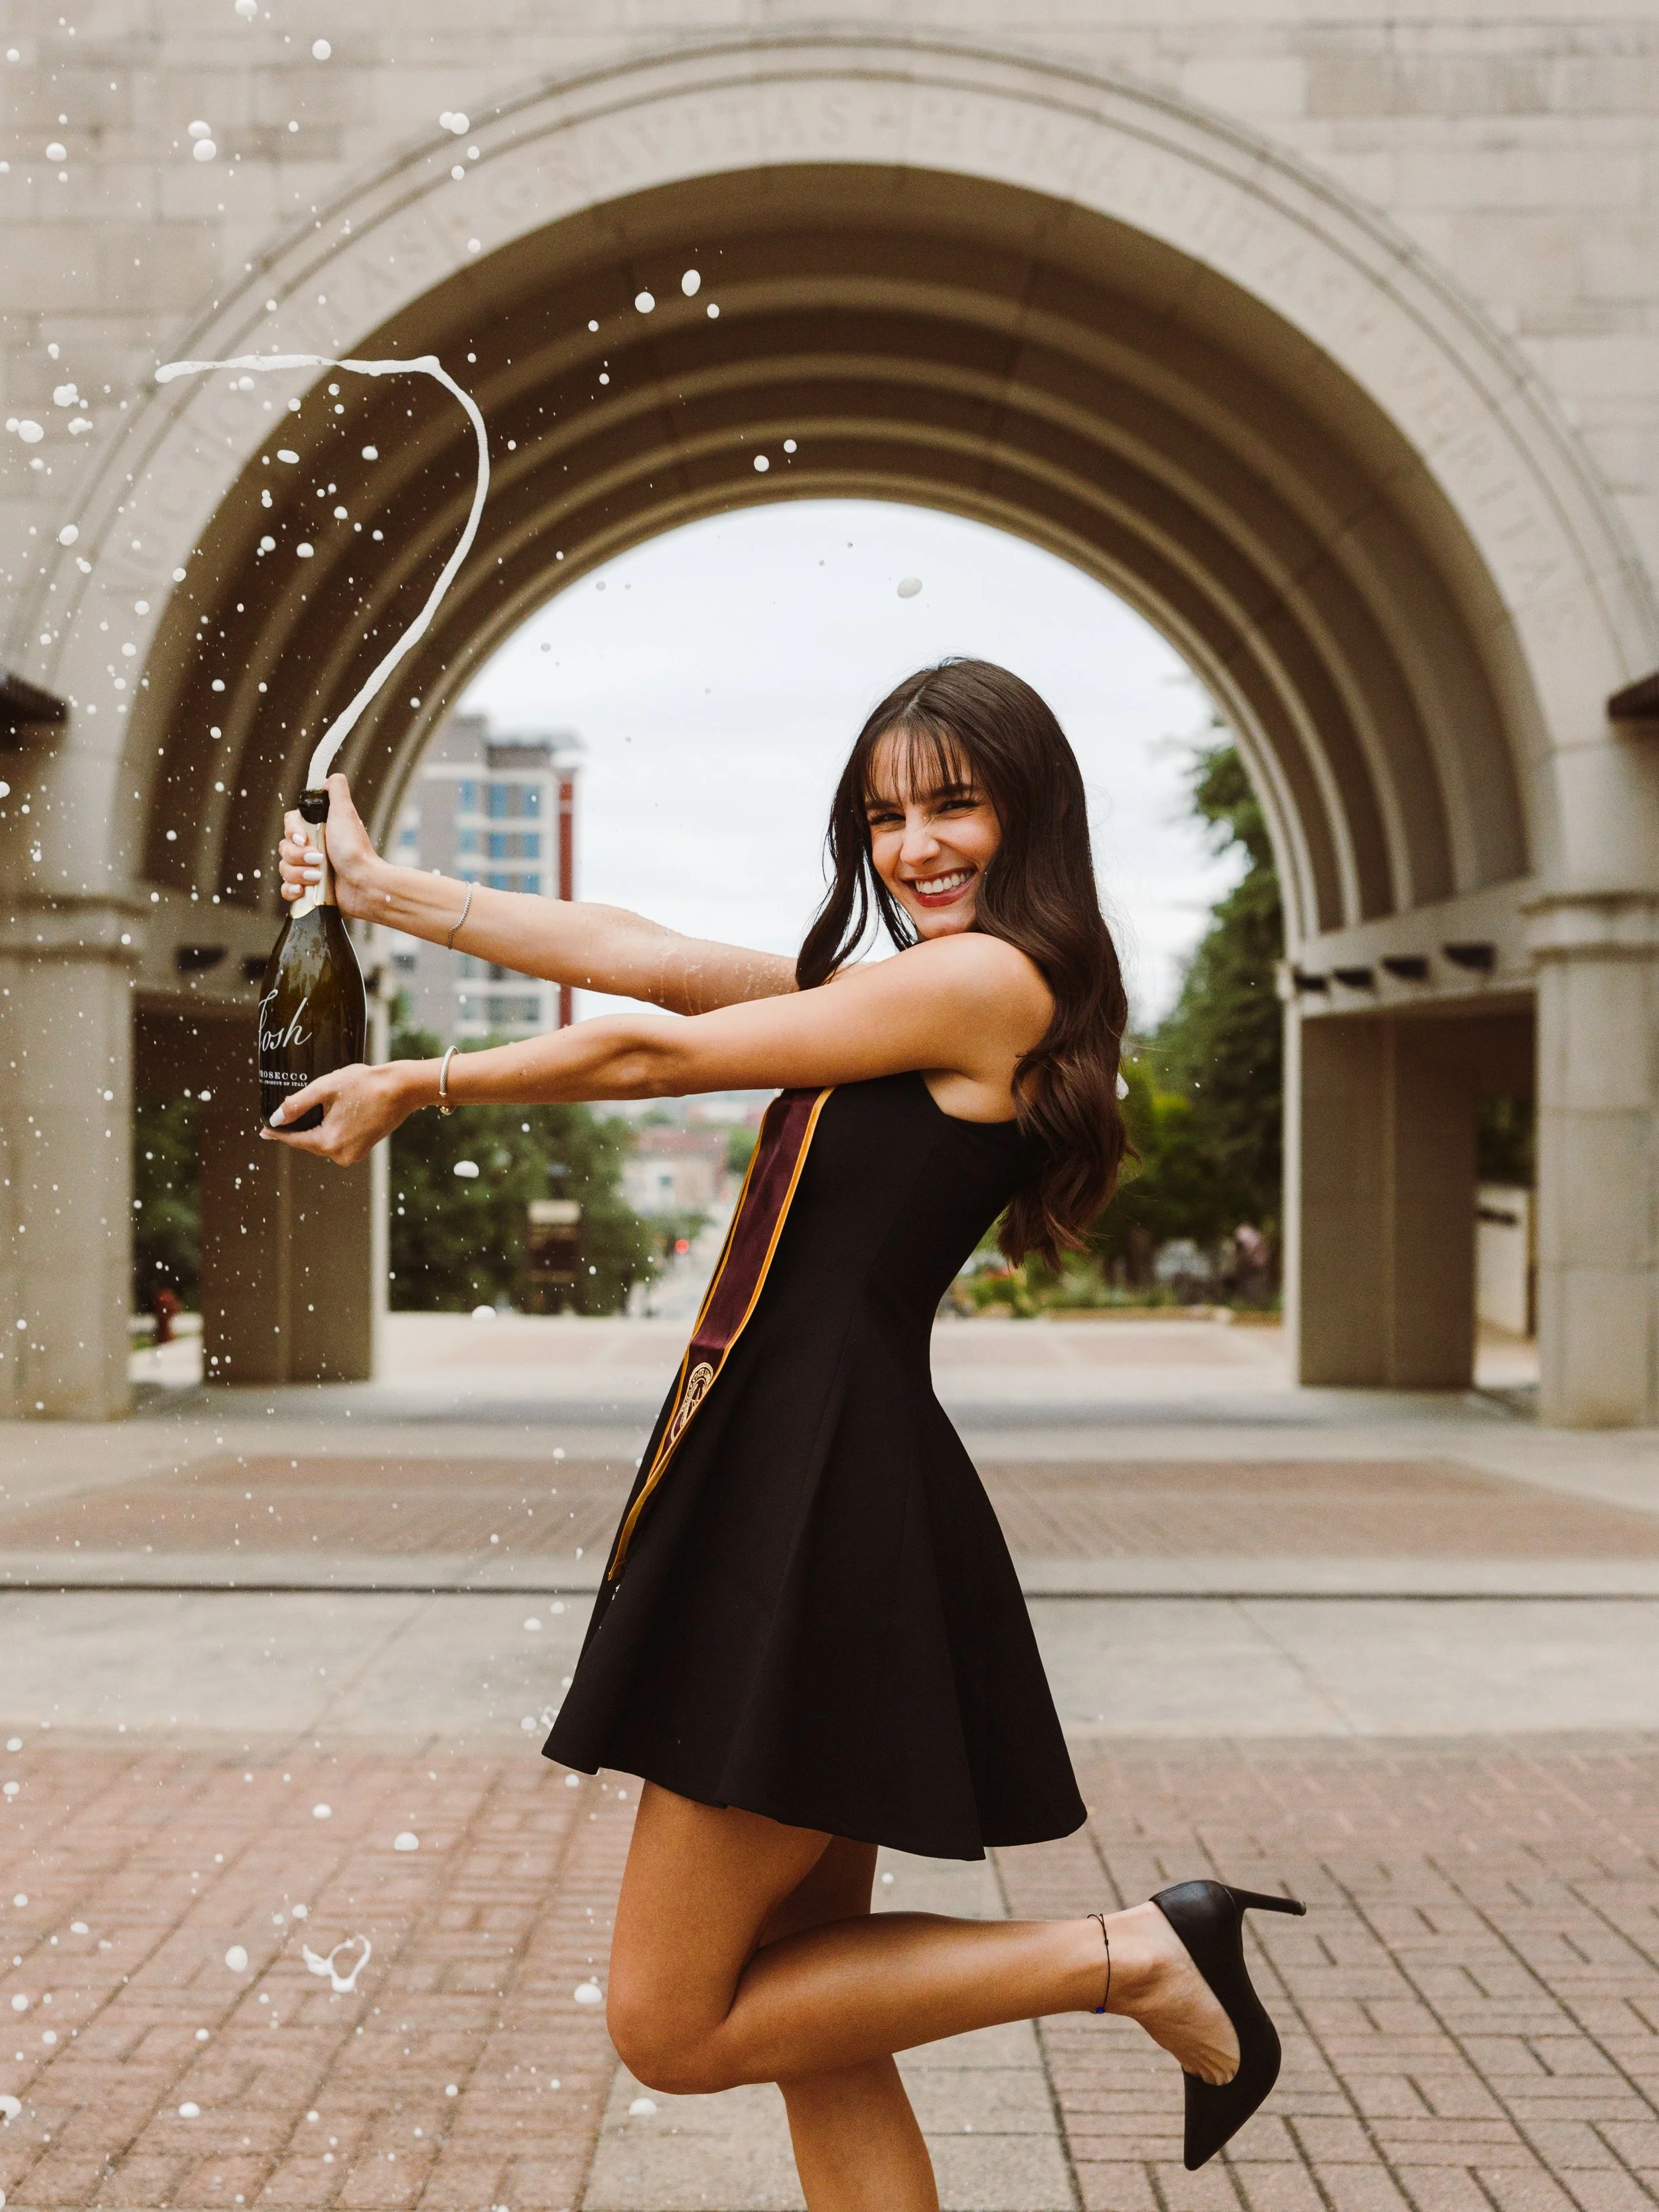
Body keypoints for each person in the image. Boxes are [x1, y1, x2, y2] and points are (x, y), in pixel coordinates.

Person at [268, 659, 1301, 2209]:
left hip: (812, 1498)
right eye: (885, 813)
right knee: (815, 2010)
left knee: (671, 2020)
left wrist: (424, 1077)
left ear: (1031, 811)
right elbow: (642, 956)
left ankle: (1137, 1952)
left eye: (953, 800)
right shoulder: (900, 994)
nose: (914, 843)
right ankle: (1134, 1954)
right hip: (801, 1475)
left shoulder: (986, 983)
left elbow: (648, 1053)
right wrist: (380, 887)